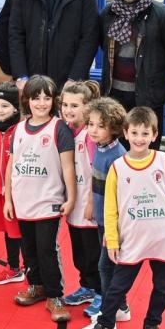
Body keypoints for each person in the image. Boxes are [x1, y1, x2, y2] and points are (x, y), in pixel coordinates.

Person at [77, 106, 165, 329]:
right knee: (118, 286)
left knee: (163, 287)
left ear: (154, 135)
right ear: (125, 134)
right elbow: (110, 208)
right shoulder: (118, 167)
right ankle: (105, 327)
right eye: (135, 133)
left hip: (163, 237)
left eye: (145, 133)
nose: (139, 138)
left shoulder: (164, 162)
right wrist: (112, 238)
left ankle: (151, 326)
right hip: (132, 237)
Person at [4, 75, 76, 323]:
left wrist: (71, 197)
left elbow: (68, 168)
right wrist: (7, 199)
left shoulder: (59, 128)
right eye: (37, 98)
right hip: (23, 202)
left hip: (48, 202)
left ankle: (55, 295)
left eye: (47, 98)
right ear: (27, 100)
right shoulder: (20, 129)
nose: (42, 103)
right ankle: (36, 285)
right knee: (29, 249)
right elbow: (11, 165)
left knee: (47, 249)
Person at [99, 0, 165, 150]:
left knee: (145, 149)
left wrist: (151, 74)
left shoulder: (162, 15)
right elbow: (103, 46)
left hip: (148, 96)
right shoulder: (108, 13)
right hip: (115, 95)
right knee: (116, 149)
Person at [80, 97, 131, 327]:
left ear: (114, 128)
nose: (93, 130)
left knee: (106, 265)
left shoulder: (117, 155)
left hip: (113, 222)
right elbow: (96, 181)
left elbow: (120, 195)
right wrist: (91, 204)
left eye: (100, 126)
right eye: (91, 124)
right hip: (102, 219)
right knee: (109, 265)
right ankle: (119, 306)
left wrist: (114, 225)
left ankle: (113, 308)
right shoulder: (100, 149)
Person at [60, 80, 103, 308]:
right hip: (73, 204)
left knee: (94, 253)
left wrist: (91, 202)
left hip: (89, 205)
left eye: (74, 105)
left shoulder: (89, 136)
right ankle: (86, 286)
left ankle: (101, 292)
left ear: (88, 107)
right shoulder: (66, 130)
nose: (68, 110)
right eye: (65, 104)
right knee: (79, 252)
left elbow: (98, 172)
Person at [0, 82, 26, 286]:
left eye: (5, 106)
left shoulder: (20, 130)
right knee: (9, 232)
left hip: (18, 194)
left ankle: (29, 268)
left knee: (22, 232)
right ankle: (13, 267)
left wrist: (12, 187)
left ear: (15, 108)